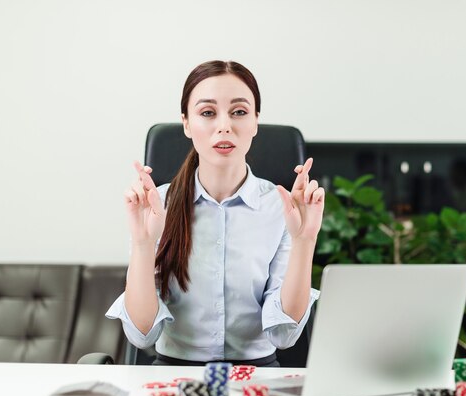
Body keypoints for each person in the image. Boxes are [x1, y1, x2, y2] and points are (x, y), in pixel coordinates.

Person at [106, 60, 325, 367]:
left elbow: (284, 335)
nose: (224, 125)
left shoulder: (283, 207)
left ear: (255, 122)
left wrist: (305, 240)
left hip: (257, 376)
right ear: (186, 123)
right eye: (208, 112)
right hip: (173, 376)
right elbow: (142, 336)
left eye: (239, 112)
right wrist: (143, 243)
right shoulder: (156, 205)